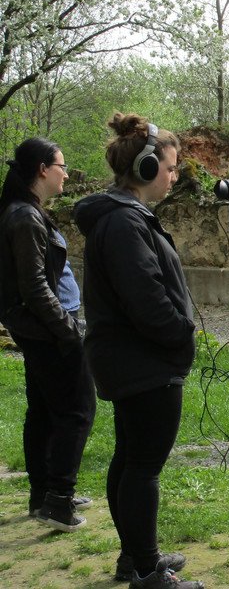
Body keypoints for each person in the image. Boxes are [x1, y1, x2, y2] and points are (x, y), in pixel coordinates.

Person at [73, 114, 204, 589]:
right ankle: (148, 573)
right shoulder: (125, 223)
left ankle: (136, 558)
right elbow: (145, 297)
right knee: (142, 467)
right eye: (170, 167)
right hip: (144, 362)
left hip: (130, 359)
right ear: (148, 169)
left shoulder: (122, 217)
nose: (174, 175)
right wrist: (180, 333)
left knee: (130, 460)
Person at [0, 138, 95, 531]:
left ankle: (44, 495)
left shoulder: (26, 211)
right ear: (42, 169)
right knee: (77, 410)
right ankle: (58, 499)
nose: (66, 173)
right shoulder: (24, 217)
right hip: (50, 331)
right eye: (62, 165)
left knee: (43, 410)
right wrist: (68, 330)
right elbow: (35, 287)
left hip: (41, 329)